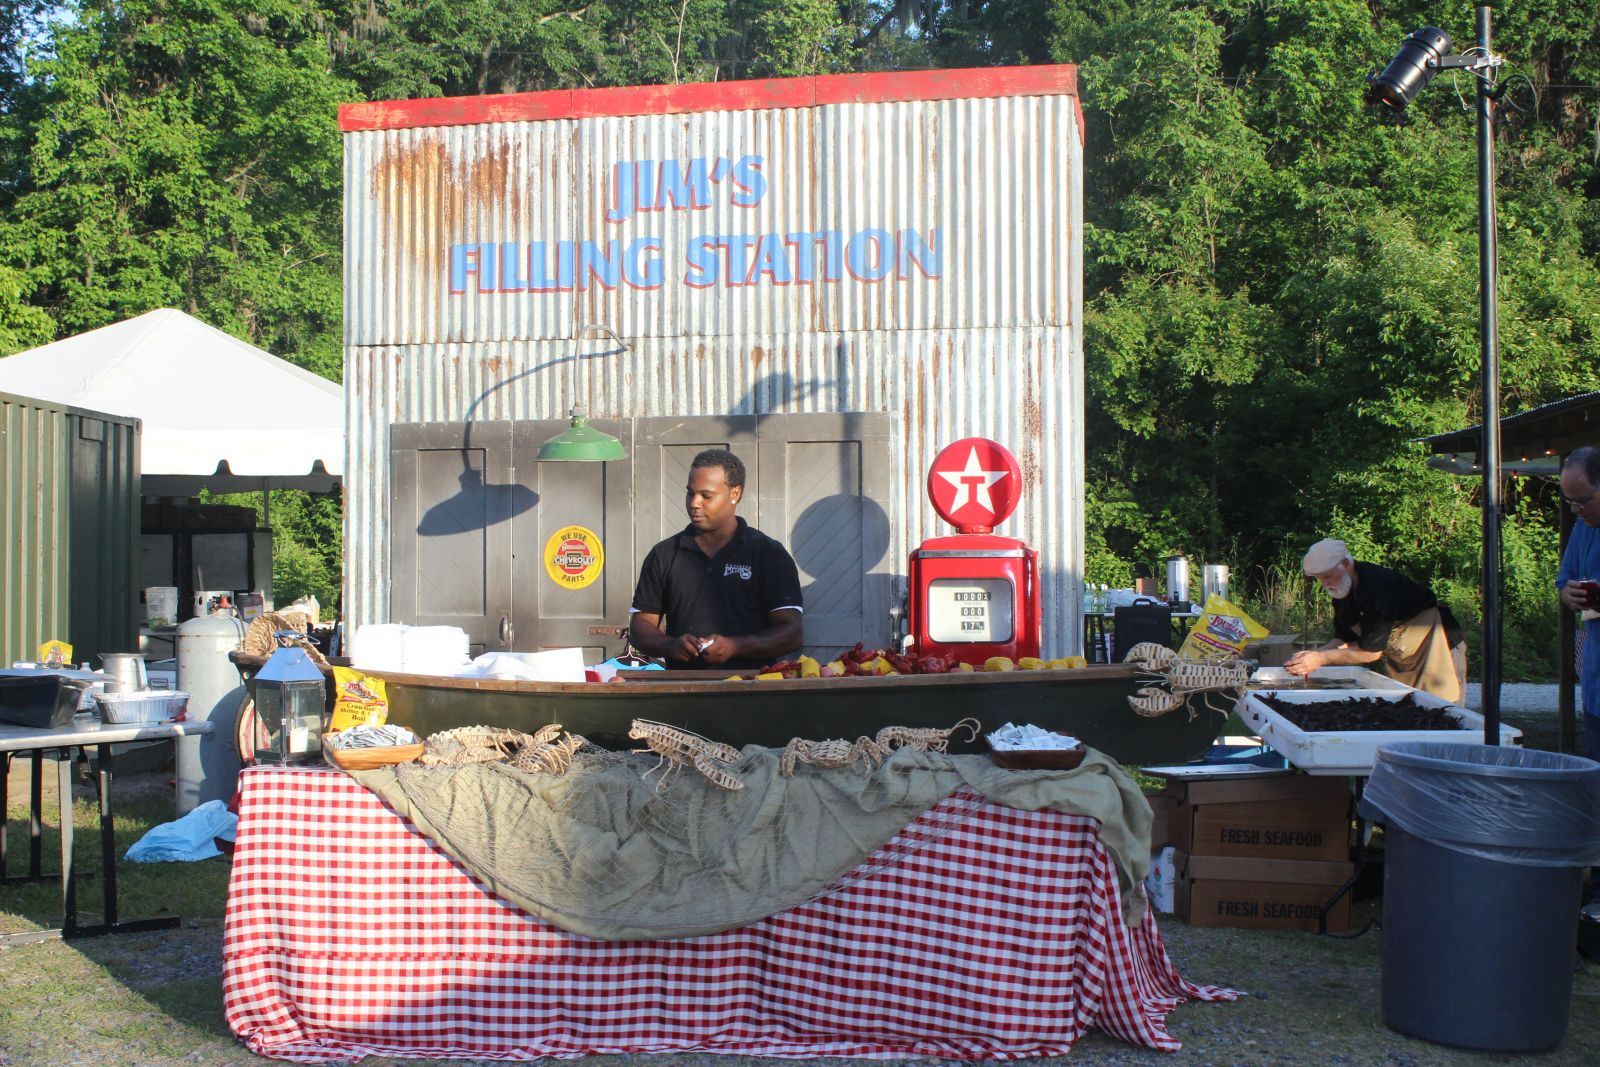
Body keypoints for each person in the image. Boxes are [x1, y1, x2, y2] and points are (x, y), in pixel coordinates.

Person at [628, 448, 803, 670]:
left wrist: (735, 646)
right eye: (690, 493)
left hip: (752, 693)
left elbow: (792, 633)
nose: (694, 503)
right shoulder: (663, 554)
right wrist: (671, 645)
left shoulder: (768, 553)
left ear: (735, 494)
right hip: (682, 693)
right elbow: (640, 627)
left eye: (706, 495)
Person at [1284, 538, 1466, 702]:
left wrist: (1320, 659)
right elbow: (1343, 639)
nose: (1325, 583)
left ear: (1346, 563)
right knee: (1407, 710)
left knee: (1444, 712)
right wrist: (1309, 658)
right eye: (1319, 579)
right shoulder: (1341, 593)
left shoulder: (1378, 585)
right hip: (1403, 657)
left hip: (1437, 647)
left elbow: (1371, 653)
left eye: (1328, 576)